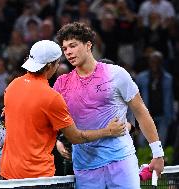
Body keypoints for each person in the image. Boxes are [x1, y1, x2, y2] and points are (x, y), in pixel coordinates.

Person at [54, 22, 164, 189]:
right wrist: (57, 141)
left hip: (120, 160)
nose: (68, 52)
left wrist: (158, 153)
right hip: (85, 167)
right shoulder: (61, 83)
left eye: (73, 46)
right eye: (65, 48)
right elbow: (51, 119)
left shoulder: (116, 73)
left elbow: (140, 111)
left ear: (88, 45)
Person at [0, 40, 127, 179]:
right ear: (50, 66)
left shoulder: (12, 86)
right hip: (37, 178)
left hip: (8, 176)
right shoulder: (51, 97)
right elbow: (75, 137)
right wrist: (108, 131)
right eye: (57, 62)